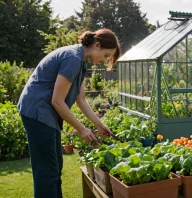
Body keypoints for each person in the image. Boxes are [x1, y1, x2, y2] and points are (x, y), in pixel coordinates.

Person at [17, 28, 121, 198]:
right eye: (106, 55)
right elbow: (57, 101)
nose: (104, 60)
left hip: (44, 113)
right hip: (37, 112)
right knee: (47, 173)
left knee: (55, 167)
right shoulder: (72, 59)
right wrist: (81, 129)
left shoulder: (80, 62)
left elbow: (81, 100)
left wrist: (100, 125)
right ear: (97, 45)